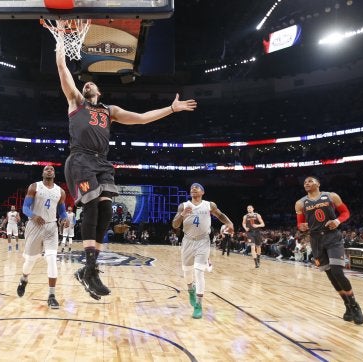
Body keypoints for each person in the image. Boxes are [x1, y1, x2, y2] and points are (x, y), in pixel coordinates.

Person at [55, 28, 198, 299]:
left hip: (102, 163)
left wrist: (171, 109)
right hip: (81, 160)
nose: (87, 85)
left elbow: (143, 118)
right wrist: (61, 37)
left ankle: (89, 270)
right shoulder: (75, 102)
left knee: (107, 213)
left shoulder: (111, 111)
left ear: (98, 90)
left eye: (91, 84)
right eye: (84, 83)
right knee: (92, 210)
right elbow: (62, 66)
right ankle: (89, 269)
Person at [295, 176, 363, 324]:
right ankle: (347, 305)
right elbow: (300, 224)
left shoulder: (331, 196)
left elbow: (345, 213)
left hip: (333, 237)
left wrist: (337, 221)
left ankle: (354, 305)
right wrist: (301, 227)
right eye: (305, 182)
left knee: (337, 271)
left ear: (318, 184)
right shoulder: (300, 203)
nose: (306, 183)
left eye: (310, 181)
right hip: (315, 240)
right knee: (331, 275)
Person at [172, 183, 233, 319]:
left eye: (197, 187)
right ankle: (190, 290)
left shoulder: (209, 205)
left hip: (203, 241)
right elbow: (175, 225)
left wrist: (230, 223)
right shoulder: (183, 205)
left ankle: (198, 306)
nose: (194, 188)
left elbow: (220, 215)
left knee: (199, 272)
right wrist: (181, 215)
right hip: (187, 240)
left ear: (203, 192)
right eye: (192, 188)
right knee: (187, 273)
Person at [16, 165, 68, 309]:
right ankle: (24, 279)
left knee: (52, 259)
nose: (49, 170)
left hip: (51, 227)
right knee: (30, 260)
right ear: (43, 173)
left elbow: (62, 211)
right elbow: (25, 208)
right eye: (46, 169)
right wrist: (33, 216)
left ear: (54, 174)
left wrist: (64, 218)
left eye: (51, 169)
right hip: (35, 226)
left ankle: (51, 296)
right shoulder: (34, 187)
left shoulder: (60, 192)